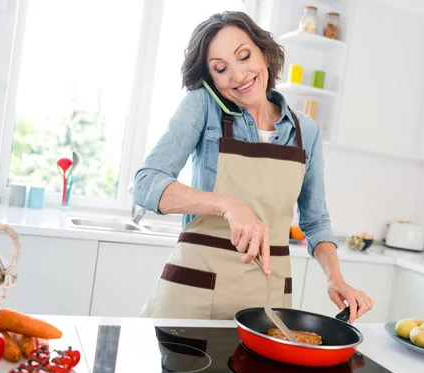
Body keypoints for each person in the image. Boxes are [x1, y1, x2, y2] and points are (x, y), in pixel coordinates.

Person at [134, 11, 373, 323]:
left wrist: (335, 278)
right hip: (191, 295)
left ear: (264, 52)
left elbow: (315, 222)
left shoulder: (306, 132)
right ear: (212, 80)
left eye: (244, 56)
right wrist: (228, 206)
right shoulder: (202, 107)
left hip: (266, 302)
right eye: (221, 69)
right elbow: (146, 182)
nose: (238, 75)